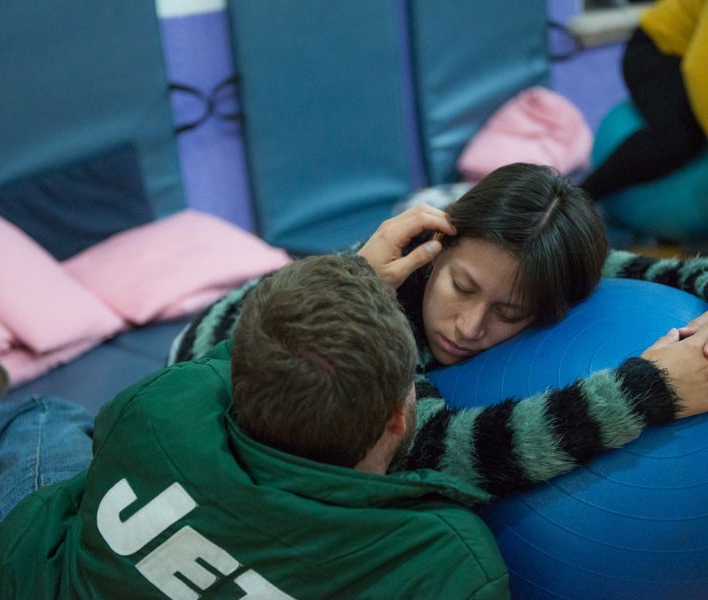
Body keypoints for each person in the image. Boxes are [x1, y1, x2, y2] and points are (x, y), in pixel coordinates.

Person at [0, 255, 512, 599]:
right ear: (399, 418)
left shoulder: (165, 407)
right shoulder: (449, 561)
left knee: (54, 422)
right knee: (54, 428)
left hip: (22, 578)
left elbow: (248, 351)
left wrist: (356, 268)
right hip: (31, 573)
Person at [171, 162, 708, 495]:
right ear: (438, 247)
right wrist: (651, 388)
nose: (470, 327)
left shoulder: (533, 267)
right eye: (462, 287)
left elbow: (673, 270)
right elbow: (443, 452)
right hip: (205, 358)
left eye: (511, 313)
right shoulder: (393, 312)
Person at [580, 0, 708, 200]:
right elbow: (699, 74)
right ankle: (580, 198)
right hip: (656, 49)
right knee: (680, 137)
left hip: (689, 55)